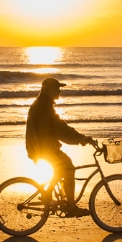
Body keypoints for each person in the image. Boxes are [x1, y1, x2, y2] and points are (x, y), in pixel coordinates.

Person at [26, 76, 96, 217]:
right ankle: (70, 206)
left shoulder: (42, 105)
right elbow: (61, 130)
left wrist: (80, 139)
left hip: (40, 147)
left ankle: (48, 195)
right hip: (43, 149)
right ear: (50, 90)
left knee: (60, 170)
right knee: (68, 167)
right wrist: (82, 139)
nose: (60, 92)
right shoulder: (44, 108)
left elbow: (59, 128)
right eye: (58, 89)